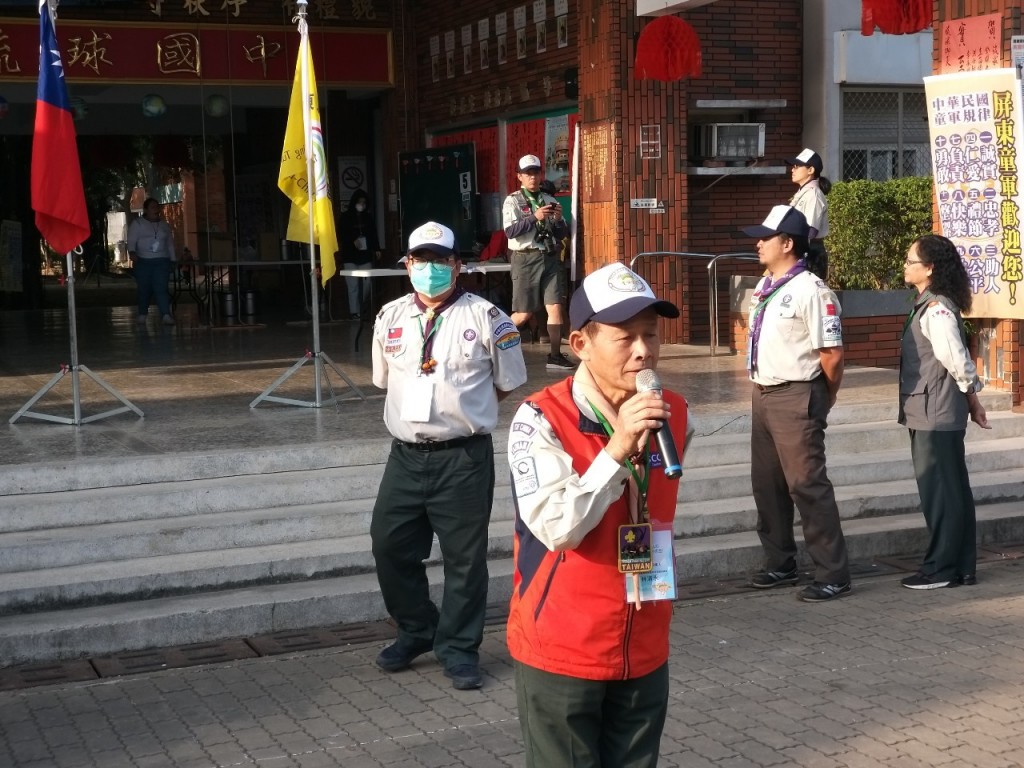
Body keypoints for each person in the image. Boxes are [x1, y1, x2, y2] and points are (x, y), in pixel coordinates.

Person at [506, 263, 692, 767]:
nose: (643, 350)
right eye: (624, 336)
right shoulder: (540, 417)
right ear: (579, 343)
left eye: (651, 334)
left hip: (646, 638)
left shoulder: (671, 409)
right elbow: (556, 528)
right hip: (564, 645)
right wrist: (615, 451)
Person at [370, 220, 528, 691]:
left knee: (464, 559)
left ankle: (459, 648)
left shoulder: (488, 318)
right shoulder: (390, 316)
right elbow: (384, 380)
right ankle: (418, 628)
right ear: (408, 265)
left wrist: (464, 413)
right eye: (421, 261)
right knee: (388, 545)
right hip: (404, 457)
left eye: (441, 261)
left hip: (462, 458)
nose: (431, 270)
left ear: (458, 265)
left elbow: (508, 381)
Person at [742, 204, 851, 602]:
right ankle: (780, 563)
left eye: (765, 238)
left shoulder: (811, 290)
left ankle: (833, 572)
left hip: (796, 393)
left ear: (787, 244)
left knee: (807, 487)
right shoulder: (765, 285)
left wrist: (825, 396)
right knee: (766, 486)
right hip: (763, 394)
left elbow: (833, 354)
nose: (758, 244)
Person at [898, 234, 990, 589]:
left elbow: (957, 360)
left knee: (940, 493)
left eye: (911, 261)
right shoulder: (931, 304)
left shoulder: (936, 309)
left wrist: (973, 396)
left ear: (930, 268)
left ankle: (942, 568)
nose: (906, 267)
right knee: (952, 490)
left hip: (933, 412)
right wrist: (971, 401)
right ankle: (962, 567)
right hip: (932, 409)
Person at [503, 153, 572, 370]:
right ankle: (491, 344)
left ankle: (554, 355)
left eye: (536, 173)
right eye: (528, 173)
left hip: (550, 256)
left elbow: (561, 233)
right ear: (519, 177)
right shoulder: (513, 200)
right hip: (525, 258)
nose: (533, 177)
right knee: (524, 313)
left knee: (555, 307)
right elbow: (510, 231)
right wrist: (535, 217)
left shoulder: (549, 199)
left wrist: (559, 220)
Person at [126, 197, 175, 325]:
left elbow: (169, 244)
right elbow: (131, 240)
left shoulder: (164, 225)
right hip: (143, 261)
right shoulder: (138, 223)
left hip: (162, 261)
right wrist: (132, 252)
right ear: (146, 210)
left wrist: (173, 259)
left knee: (161, 288)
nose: (156, 209)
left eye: (157, 207)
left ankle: (165, 314)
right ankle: (142, 313)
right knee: (144, 288)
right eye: (152, 207)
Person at [785, 148, 832, 279]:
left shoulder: (813, 194)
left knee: (810, 297)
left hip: (810, 254)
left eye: (797, 166)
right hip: (801, 251)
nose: (792, 170)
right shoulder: (804, 192)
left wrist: (795, 254)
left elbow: (811, 231)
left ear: (810, 170)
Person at [338, 189, 381, 319]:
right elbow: (341, 234)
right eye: (359, 202)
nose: (361, 205)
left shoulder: (368, 217)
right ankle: (354, 312)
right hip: (350, 256)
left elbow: (373, 234)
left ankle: (361, 305)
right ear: (354, 202)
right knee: (353, 285)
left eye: (364, 202)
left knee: (367, 283)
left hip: (365, 255)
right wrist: (352, 240)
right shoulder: (345, 217)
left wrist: (377, 249)